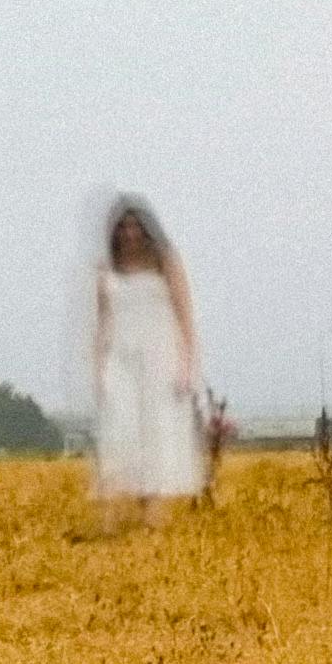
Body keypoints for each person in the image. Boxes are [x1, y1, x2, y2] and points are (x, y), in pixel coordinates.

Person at [93, 197, 205, 522]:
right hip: (119, 357)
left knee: (156, 430)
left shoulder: (166, 260)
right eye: (123, 227)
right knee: (120, 430)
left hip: (160, 356)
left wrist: (186, 365)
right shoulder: (105, 268)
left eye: (136, 227)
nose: (130, 234)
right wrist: (98, 369)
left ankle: (152, 514)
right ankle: (112, 515)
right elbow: (102, 325)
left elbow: (186, 317)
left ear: (147, 229)